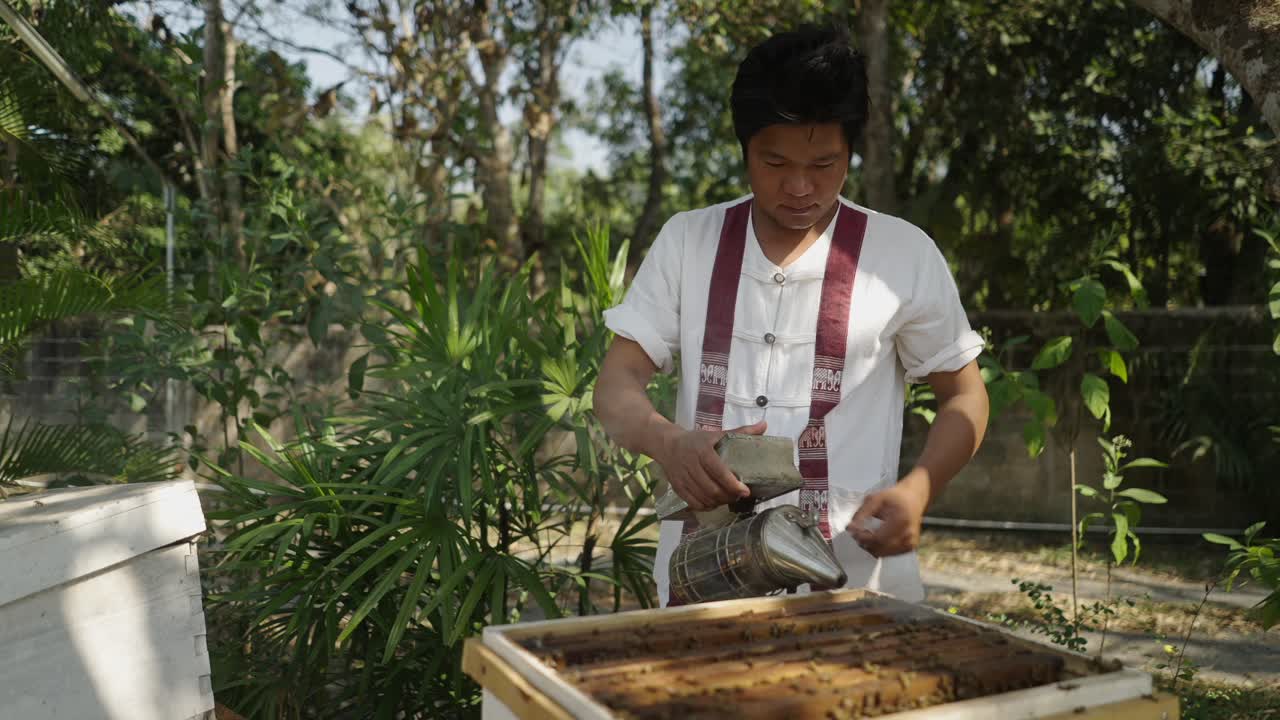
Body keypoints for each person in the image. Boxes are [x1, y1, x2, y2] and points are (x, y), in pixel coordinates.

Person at [593, 25, 990, 607]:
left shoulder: (903, 254)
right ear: (744, 148)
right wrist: (669, 443)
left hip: (858, 583)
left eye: (824, 164)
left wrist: (919, 490)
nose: (800, 186)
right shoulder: (687, 241)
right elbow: (616, 384)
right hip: (702, 584)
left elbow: (966, 397)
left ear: (852, 152)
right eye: (774, 162)